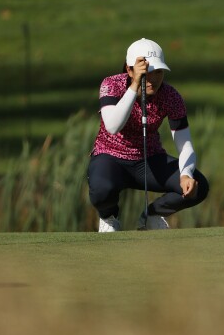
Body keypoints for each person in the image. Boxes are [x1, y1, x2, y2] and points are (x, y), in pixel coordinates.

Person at [87, 38, 209, 231]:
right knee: (101, 191)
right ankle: (109, 218)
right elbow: (113, 126)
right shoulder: (112, 84)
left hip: (149, 160)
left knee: (198, 186)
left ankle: (153, 214)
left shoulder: (171, 96)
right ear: (129, 70)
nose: (153, 78)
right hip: (110, 157)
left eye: (158, 72)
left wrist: (186, 174)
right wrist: (134, 86)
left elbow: (184, 143)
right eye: (147, 72)